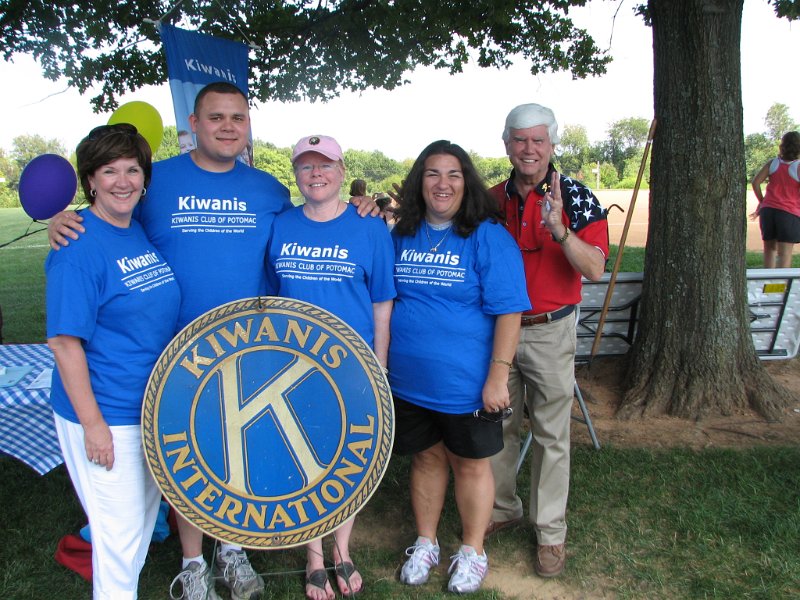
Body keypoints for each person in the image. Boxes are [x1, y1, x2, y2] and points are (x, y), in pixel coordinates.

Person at [49, 83, 380, 600]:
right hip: (172, 356)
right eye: (216, 117)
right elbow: (107, 220)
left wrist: (364, 205)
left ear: (248, 126)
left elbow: (317, 217)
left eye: (238, 118)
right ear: (193, 127)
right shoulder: (156, 185)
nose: (228, 126)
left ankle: (232, 550)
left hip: (244, 351)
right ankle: (191, 562)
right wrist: (65, 219)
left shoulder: (270, 190)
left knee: (227, 460)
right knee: (185, 465)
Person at [46, 123, 181, 599]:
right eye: (109, 171)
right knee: (119, 536)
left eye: (132, 169)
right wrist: (93, 425)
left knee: (139, 528)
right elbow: (65, 344)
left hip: (147, 406)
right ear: (90, 181)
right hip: (106, 411)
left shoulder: (134, 228)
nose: (122, 181)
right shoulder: (77, 248)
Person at [389, 140, 530, 594]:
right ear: (419, 182)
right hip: (409, 381)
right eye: (432, 174)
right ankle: (426, 543)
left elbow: (509, 311)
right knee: (427, 459)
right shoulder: (402, 233)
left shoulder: (487, 235)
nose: (443, 183)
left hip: (467, 384)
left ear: (466, 183)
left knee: (470, 465)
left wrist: (497, 376)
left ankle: (472, 551)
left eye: (453, 175)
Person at [266, 135, 395, 600]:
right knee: (304, 459)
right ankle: (313, 556)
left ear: (342, 172)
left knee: (346, 459)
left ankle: (342, 548)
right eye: (305, 167)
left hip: (351, 367)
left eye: (325, 166)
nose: (315, 174)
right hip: (292, 368)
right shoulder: (280, 225)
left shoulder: (370, 228)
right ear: (296, 175)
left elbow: (382, 302)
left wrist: (377, 367)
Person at [486, 103, 609, 578]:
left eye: (538, 140)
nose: (529, 149)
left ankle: (550, 531)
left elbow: (595, 268)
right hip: (499, 329)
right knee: (497, 423)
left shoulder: (576, 198)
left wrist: (560, 230)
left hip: (550, 329)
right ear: (507, 145)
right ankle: (501, 508)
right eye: (520, 140)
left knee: (552, 433)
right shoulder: (491, 198)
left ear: (552, 145)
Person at [750, 131, 800, 268]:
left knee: (769, 250)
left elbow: (755, 182)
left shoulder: (773, 163)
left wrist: (762, 201)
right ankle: (781, 287)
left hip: (768, 211)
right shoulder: (798, 166)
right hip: (789, 213)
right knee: (784, 253)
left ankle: (768, 284)